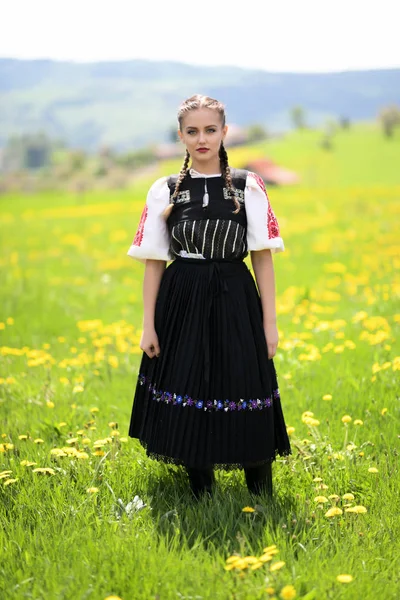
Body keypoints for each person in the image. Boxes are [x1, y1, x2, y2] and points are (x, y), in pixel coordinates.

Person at [126, 94, 292, 499]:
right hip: (181, 298)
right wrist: (148, 323)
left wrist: (270, 322)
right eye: (193, 131)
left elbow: (263, 258)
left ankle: (260, 489)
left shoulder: (246, 185)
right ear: (181, 136)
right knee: (189, 379)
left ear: (224, 132)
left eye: (210, 130)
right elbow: (153, 262)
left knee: (244, 378)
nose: (202, 139)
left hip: (236, 294)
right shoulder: (163, 190)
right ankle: (202, 490)